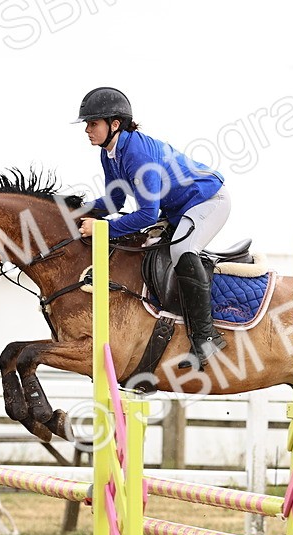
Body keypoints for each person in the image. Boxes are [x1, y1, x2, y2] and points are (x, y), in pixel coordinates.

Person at [74, 87, 230, 368]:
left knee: (183, 249)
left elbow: (146, 215)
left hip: (209, 200)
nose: (87, 129)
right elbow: (114, 200)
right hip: (178, 209)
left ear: (115, 124)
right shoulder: (109, 153)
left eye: (92, 123)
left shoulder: (137, 154)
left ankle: (207, 338)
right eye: (87, 123)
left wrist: (102, 229)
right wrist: (72, 209)